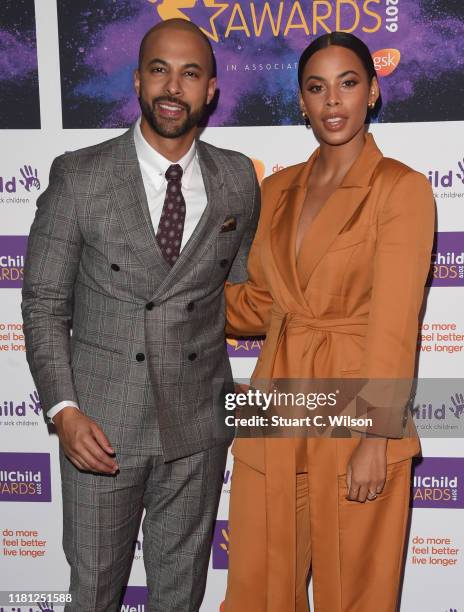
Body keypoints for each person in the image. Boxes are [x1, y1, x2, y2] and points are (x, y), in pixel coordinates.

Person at [21, 18, 259, 612]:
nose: (172, 87)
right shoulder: (80, 175)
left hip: (197, 427)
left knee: (180, 596)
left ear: (211, 90)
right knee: (93, 593)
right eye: (159, 70)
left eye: (189, 73)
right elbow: (45, 302)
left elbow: (245, 291)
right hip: (101, 430)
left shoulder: (237, 179)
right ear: (137, 81)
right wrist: (64, 410)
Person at [223, 32, 435, 612]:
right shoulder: (276, 188)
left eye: (348, 84)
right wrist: (170, 296)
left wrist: (376, 435)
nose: (333, 101)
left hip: (357, 409)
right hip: (273, 402)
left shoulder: (402, 189)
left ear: (372, 93)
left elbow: (395, 324)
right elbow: (261, 304)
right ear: (301, 102)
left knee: (355, 594)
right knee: (255, 589)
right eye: (317, 88)